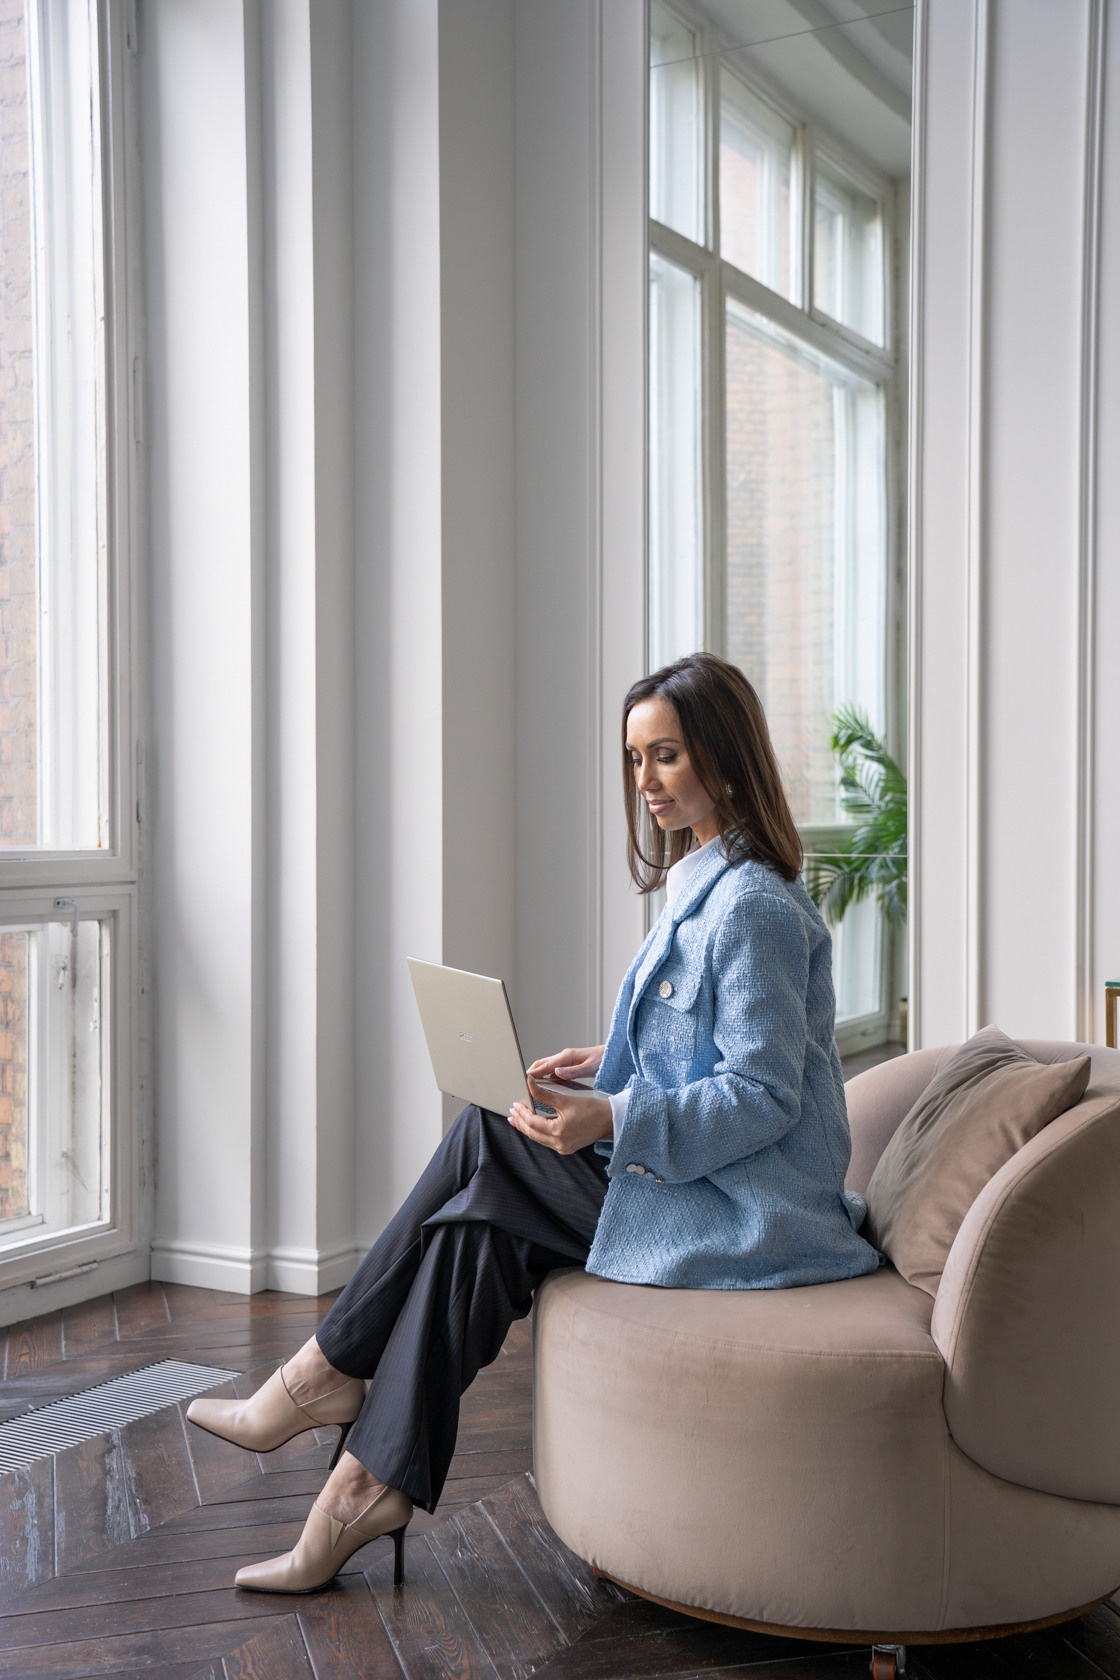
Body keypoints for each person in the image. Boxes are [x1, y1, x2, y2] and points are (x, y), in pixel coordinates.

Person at [187, 651, 880, 1593]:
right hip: (697, 1180)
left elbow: (762, 1096)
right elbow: (704, 1052)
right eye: (635, 761)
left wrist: (610, 1117)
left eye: (667, 756)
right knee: (479, 1230)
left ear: (723, 757)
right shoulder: (701, 885)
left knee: (487, 1136)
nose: (647, 783)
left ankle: (320, 1387)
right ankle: (360, 1483)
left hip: (748, 1214)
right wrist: (607, 1065)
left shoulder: (753, 906)